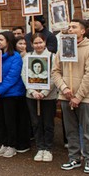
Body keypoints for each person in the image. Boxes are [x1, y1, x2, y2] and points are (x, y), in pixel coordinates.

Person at [52, 19, 89, 174]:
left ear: (83, 31)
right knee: (70, 130)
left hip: (84, 98)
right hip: (66, 96)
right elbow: (56, 71)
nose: (70, 29)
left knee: (87, 130)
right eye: (69, 27)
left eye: (74, 27)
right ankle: (74, 158)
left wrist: (78, 96)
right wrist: (64, 88)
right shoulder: (64, 48)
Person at [0, 31, 27, 158]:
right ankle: (4, 142)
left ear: (8, 42)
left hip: (11, 94)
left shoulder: (15, 57)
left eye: (1, 40)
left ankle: (12, 145)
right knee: (0, 120)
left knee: (10, 120)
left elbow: (12, 77)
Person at [22, 33, 57, 162]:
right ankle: (40, 147)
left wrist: (44, 92)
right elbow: (24, 75)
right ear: (31, 44)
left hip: (48, 96)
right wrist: (32, 91)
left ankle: (48, 148)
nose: (38, 45)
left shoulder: (52, 57)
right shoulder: (28, 57)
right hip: (31, 96)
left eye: (40, 42)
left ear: (45, 42)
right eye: (35, 43)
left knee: (48, 123)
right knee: (36, 122)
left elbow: (54, 75)